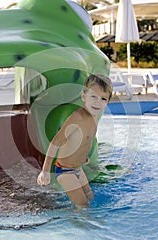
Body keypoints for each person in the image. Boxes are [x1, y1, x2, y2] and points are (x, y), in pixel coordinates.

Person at [37, 74, 113, 209]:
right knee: (82, 206)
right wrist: (46, 170)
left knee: (90, 196)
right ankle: (76, 226)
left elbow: (85, 140)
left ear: (107, 101)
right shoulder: (78, 117)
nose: (97, 102)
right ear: (84, 96)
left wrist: (84, 157)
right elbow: (56, 141)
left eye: (103, 99)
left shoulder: (93, 118)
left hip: (78, 169)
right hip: (65, 171)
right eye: (93, 97)